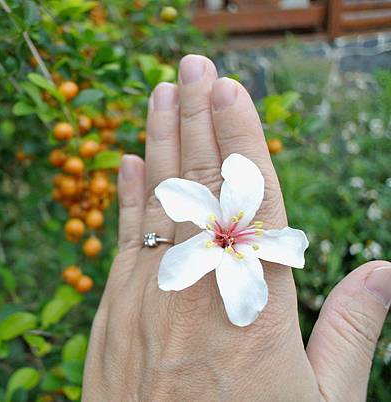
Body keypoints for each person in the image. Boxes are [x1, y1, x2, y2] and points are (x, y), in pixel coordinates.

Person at [81, 55, 391, 401]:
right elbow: (176, 269)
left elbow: (273, 254)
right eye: (227, 238)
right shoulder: (216, 230)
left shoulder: (242, 235)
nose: (228, 238)